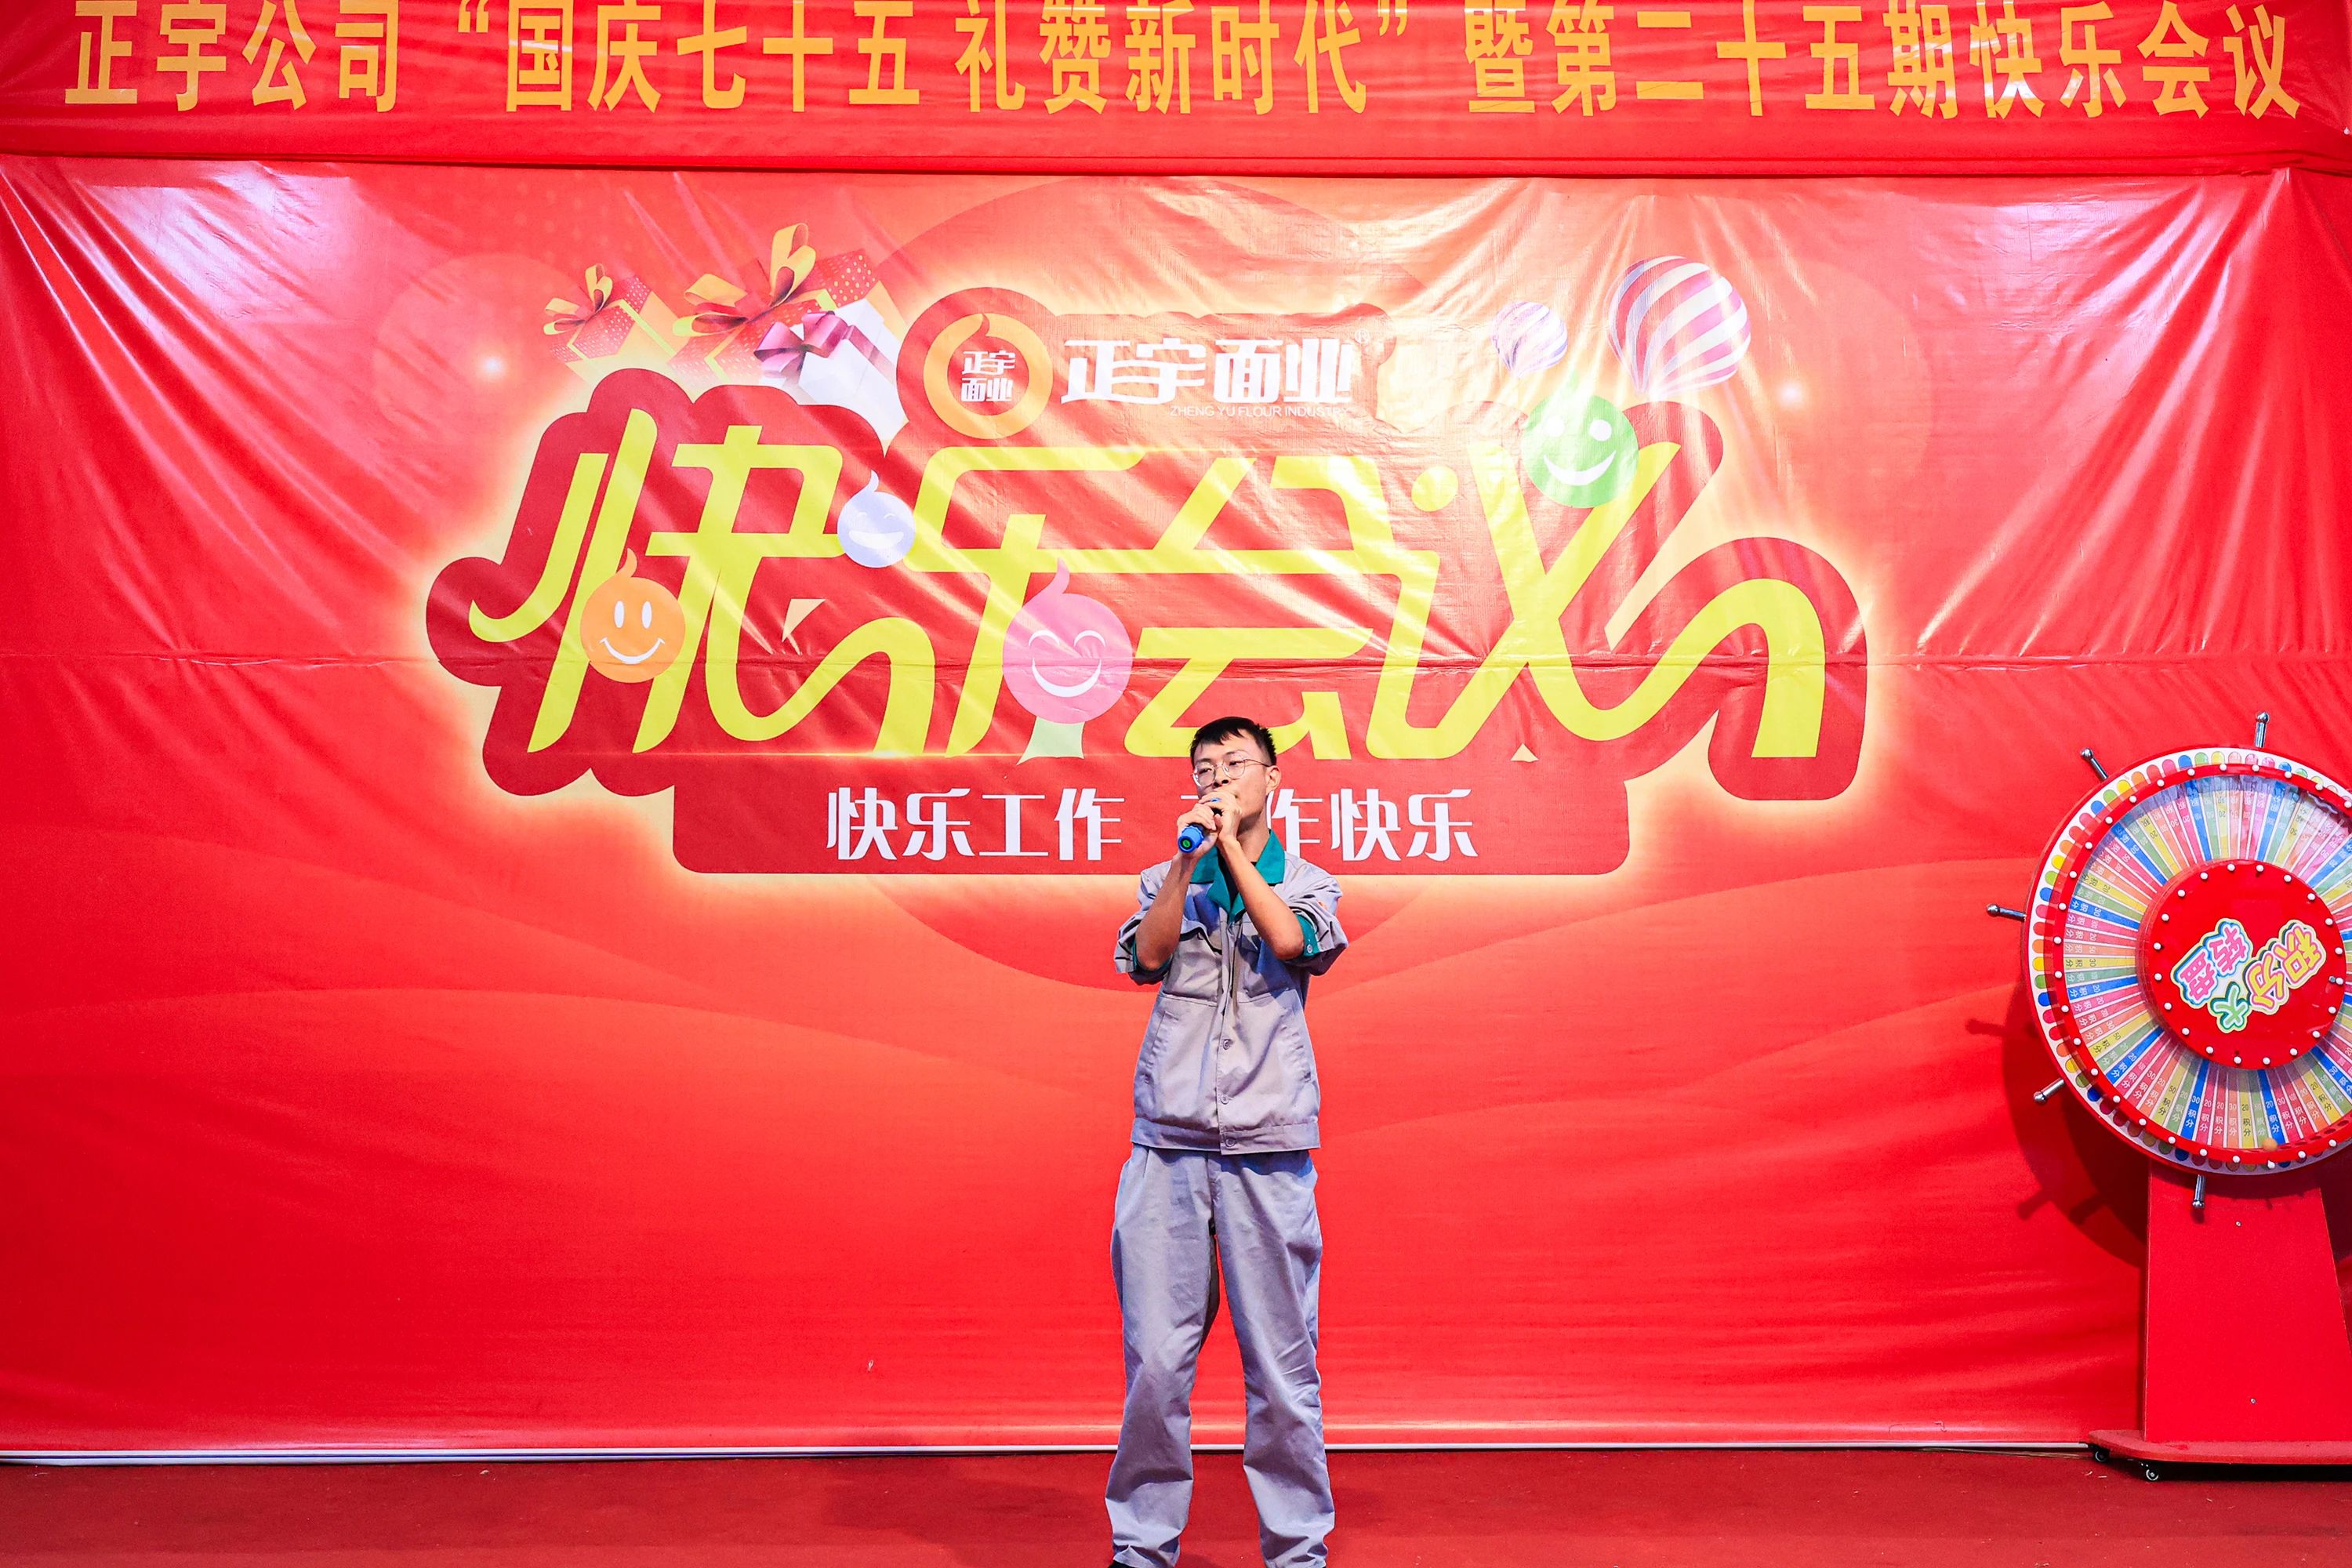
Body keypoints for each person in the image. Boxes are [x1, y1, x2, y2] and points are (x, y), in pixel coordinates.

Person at [1105, 715, 1348, 1568]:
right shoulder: (1167, 876)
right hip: (1166, 1147)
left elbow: (1290, 942)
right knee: (1156, 1367)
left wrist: (1236, 855)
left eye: (1235, 764)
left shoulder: (1308, 881)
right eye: (1204, 768)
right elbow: (1147, 958)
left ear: (1272, 779)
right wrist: (1188, 861)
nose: (1217, 779)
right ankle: (1141, 1548)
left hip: (1267, 1147)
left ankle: (1297, 1551)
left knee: (1282, 1367)